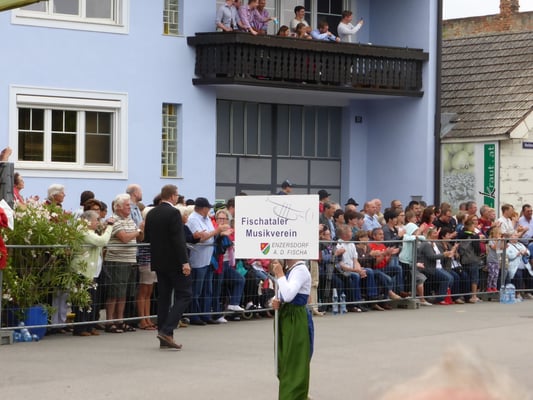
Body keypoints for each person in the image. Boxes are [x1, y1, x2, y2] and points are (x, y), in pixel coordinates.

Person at [144, 184, 191, 349]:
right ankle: (167, 330)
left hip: (158, 261)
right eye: (177, 195)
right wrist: (185, 261)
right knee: (185, 294)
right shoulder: (174, 213)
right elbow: (178, 239)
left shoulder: (152, 213)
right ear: (172, 196)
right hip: (174, 262)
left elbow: (147, 237)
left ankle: (164, 334)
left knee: (164, 298)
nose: (177, 197)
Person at [271, 258, 313, 400]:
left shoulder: (300, 270)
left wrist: (280, 274)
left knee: (294, 361)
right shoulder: (292, 270)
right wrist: (275, 301)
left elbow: (289, 295)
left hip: (295, 318)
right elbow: (282, 294)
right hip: (287, 316)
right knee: (284, 360)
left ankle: (295, 396)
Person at [102, 193, 143, 333]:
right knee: (114, 292)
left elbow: (139, 237)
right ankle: (109, 321)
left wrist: (141, 230)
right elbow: (124, 238)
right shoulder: (114, 220)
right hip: (117, 260)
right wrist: (138, 231)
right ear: (118, 207)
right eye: (126, 205)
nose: (129, 208)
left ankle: (120, 320)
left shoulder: (130, 220)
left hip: (130, 260)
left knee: (124, 293)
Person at [187, 197, 230, 325]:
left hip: (208, 258)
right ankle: (194, 316)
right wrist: (217, 231)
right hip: (198, 259)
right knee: (197, 290)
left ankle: (205, 314)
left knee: (207, 289)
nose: (209, 210)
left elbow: (210, 235)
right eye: (208, 208)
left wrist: (218, 233)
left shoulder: (206, 219)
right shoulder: (193, 219)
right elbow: (201, 238)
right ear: (203, 208)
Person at [71, 210, 114, 336]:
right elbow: (102, 241)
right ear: (88, 221)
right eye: (96, 220)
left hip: (93, 271)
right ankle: (80, 328)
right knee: (83, 301)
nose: (98, 223)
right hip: (83, 270)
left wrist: (104, 228)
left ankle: (90, 326)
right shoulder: (83, 232)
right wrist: (110, 227)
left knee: (93, 300)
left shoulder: (91, 232)